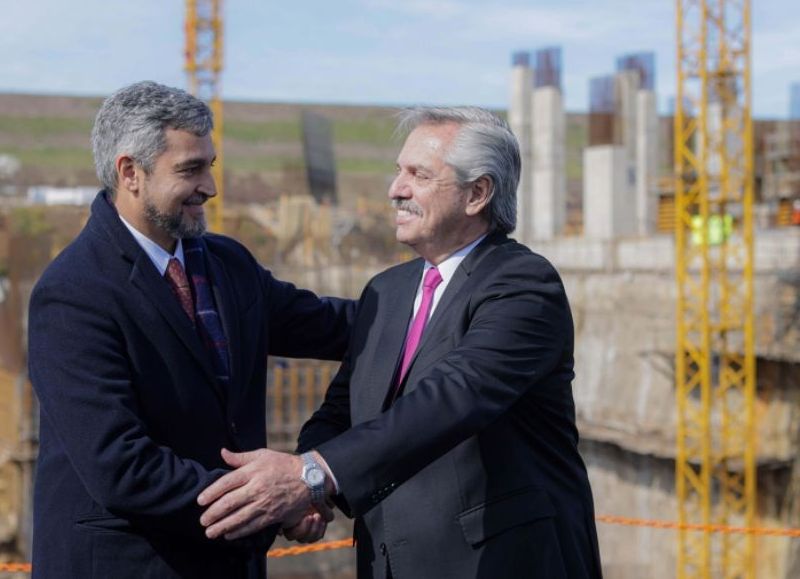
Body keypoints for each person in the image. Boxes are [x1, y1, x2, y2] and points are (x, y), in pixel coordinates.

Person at [198, 107, 602, 578]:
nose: (396, 189)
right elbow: (341, 409)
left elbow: (450, 399)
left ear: (477, 194)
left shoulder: (522, 285)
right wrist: (312, 489)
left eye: (419, 174)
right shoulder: (386, 291)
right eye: (398, 172)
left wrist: (311, 474)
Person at [27, 80, 352, 579]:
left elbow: (331, 326)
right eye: (190, 169)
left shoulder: (226, 264)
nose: (211, 187)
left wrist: (442, 303)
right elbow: (122, 467)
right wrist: (268, 502)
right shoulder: (73, 293)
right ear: (130, 172)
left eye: (210, 165)